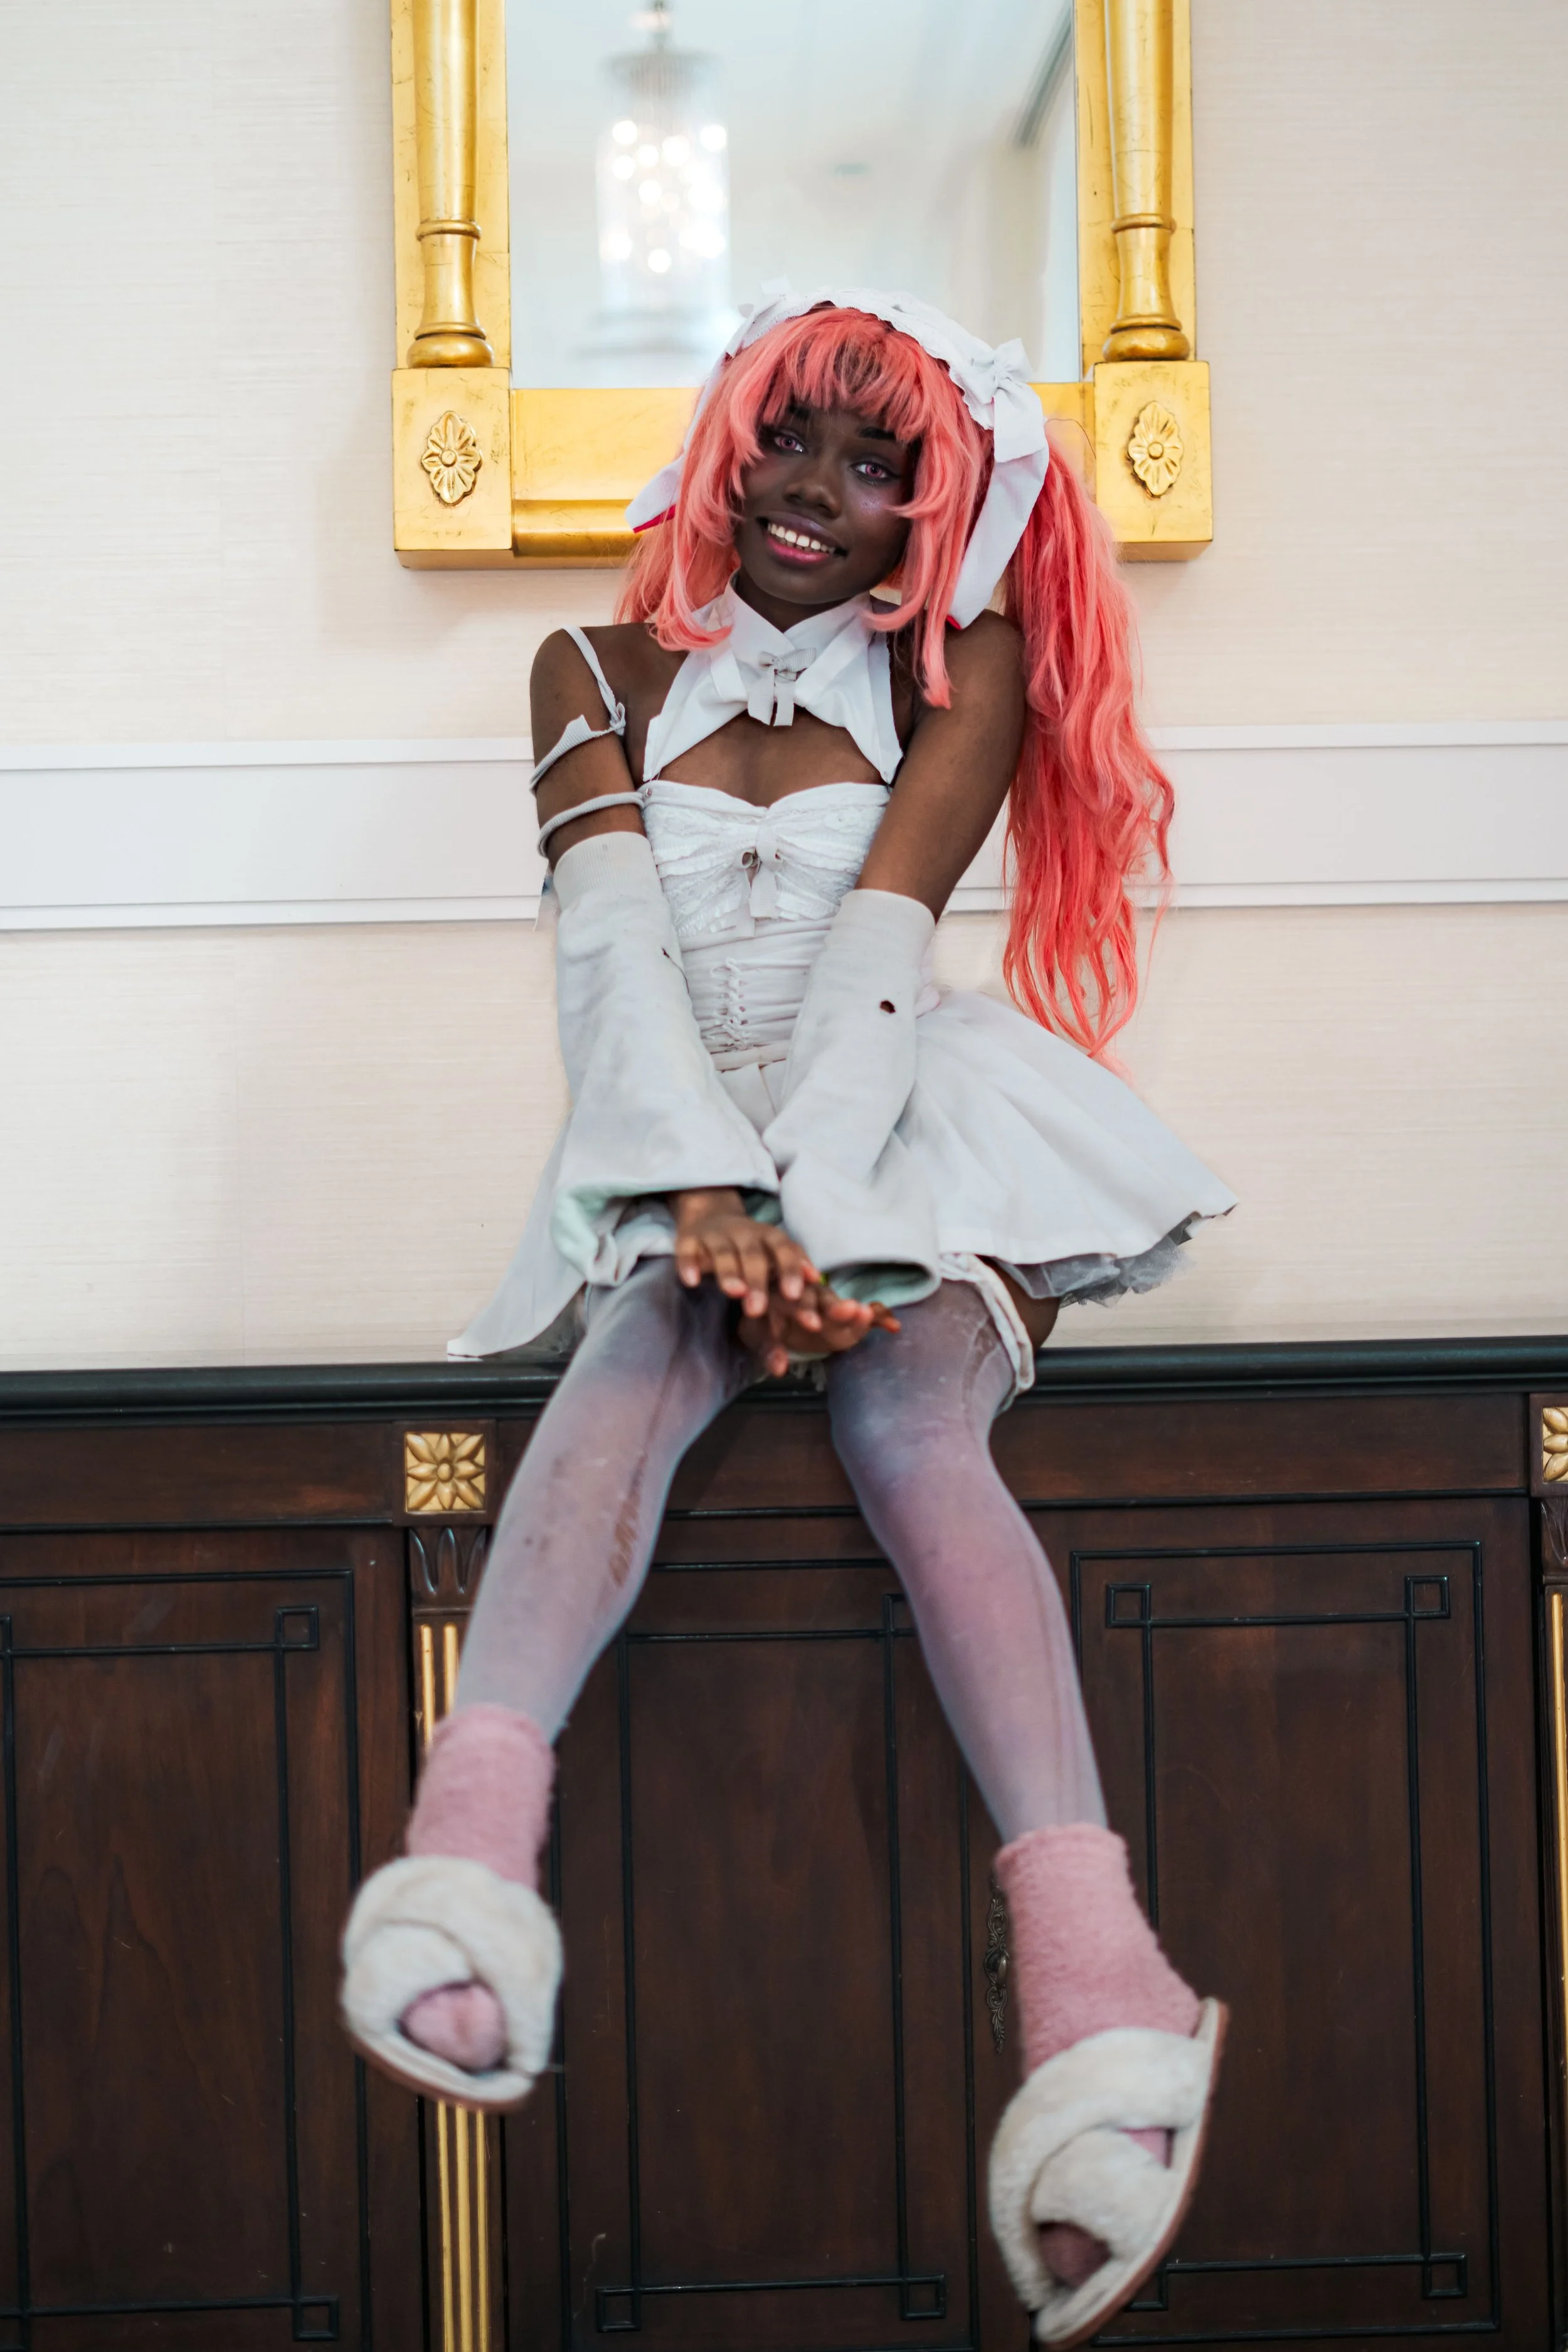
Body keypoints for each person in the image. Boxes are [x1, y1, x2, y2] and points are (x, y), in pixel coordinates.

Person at [342, 288, 1234, 2346]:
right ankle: (467, 1866)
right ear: (723, 437)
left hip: (896, 1116)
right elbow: (608, 964)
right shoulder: (584, 667)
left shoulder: (957, 676)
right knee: (639, 1338)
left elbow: (882, 962)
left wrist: (818, 1215)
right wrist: (706, 1201)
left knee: (906, 1418)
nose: (816, 490)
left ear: (938, 510)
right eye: (791, 440)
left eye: (878, 463)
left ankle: (1101, 1999)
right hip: (678, 1134)